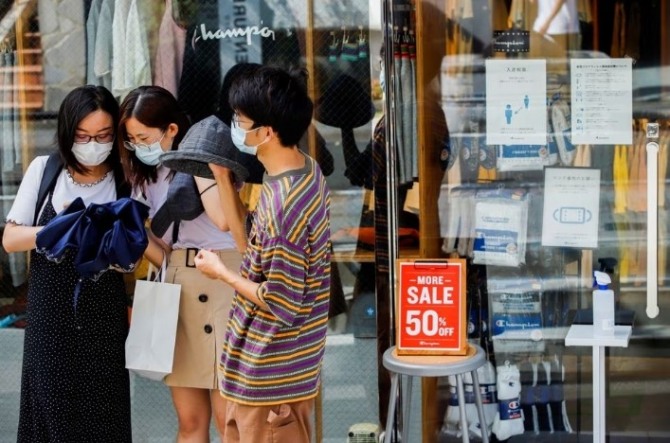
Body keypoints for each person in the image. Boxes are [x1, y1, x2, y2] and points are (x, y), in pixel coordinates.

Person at [194, 65, 331, 443]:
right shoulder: (302, 169)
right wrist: (222, 179)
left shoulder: (285, 206)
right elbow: (251, 246)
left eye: (240, 119)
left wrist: (221, 273)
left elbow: (282, 301)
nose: (234, 125)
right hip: (273, 369)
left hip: (270, 373)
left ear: (266, 132)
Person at [2, 85, 132, 442]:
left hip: (103, 314)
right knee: (51, 407)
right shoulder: (45, 169)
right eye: (83, 135)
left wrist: (112, 246)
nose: (94, 143)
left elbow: (134, 257)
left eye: (103, 135)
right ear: (67, 132)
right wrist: (59, 229)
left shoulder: (124, 177)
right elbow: (11, 239)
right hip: (51, 314)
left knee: (104, 410)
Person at [118, 86, 247, 442]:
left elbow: (223, 221)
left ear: (171, 129)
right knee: (190, 421)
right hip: (179, 285)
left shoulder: (200, 160)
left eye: (143, 137)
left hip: (224, 282)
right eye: (131, 140)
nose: (138, 146)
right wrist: (132, 233)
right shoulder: (144, 177)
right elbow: (164, 253)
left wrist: (211, 172)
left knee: (229, 420)